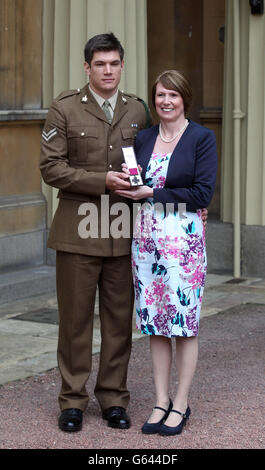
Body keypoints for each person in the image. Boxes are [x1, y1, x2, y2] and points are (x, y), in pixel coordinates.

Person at [40, 33, 151, 432]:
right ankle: (72, 401)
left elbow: (152, 164)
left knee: (120, 322)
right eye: (100, 64)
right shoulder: (65, 108)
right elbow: (51, 168)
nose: (108, 71)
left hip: (123, 233)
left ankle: (113, 399)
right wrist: (100, 180)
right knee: (75, 321)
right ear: (87, 67)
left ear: (122, 66)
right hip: (77, 232)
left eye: (114, 63)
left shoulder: (138, 109)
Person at [115, 70, 217, 436]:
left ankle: (182, 402)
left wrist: (153, 196)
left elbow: (202, 194)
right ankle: (160, 400)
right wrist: (131, 189)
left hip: (184, 245)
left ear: (184, 98)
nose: (166, 102)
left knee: (184, 326)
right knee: (156, 325)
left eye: (173, 95)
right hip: (145, 244)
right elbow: (133, 183)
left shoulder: (201, 138)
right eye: (160, 96)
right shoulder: (143, 139)